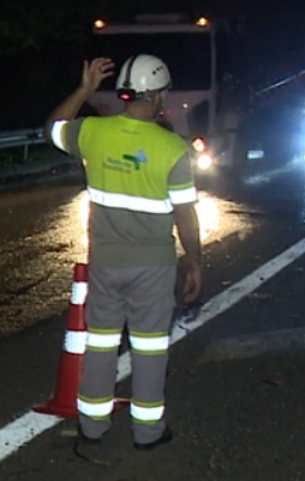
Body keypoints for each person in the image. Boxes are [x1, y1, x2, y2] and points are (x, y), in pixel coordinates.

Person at [45, 54, 203, 451]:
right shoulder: (173, 147)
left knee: (100, 345)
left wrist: (82, 90)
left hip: (106, 262)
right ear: (156, 97)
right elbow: (186, 216)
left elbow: (51, 129)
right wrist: (195, 261)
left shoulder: (93, 132)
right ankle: (148, 432)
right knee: (150, 349)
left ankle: (92, 426)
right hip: (153, 265)